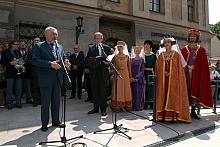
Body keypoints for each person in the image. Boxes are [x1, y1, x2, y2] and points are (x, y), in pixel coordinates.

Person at [32, 26, 71, 131]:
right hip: (45, 79)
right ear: (46, 35)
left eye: (56, 34)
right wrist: (50, 64)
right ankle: (44, 124)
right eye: (53, 34)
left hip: (58, 78)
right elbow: (35, 60)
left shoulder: (60, 46)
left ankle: (56, 121)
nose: (55, 36)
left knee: (56, 101)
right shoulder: (39, 46)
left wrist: (66, 61)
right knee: (45, 102)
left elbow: (63, 57)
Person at [155, 37, 191, 122]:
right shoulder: (160, 56)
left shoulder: (176, 55)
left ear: (171, 44)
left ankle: (172, 117)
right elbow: (157, 68)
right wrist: (163, 72)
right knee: (163, 95)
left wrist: (171, 73)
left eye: (168, 42)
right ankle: (162, 116)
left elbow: (179, 69)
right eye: (165, 42)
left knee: (172, 96)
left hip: (173, 81)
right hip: (163, 80)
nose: (167, 43)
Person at [181, 28, 213, 119]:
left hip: (197, 74)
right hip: (186, 74)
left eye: (194, 36)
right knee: (186, 90)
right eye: (190, 36)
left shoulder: (201, 50)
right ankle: (185, 110)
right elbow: (181, 63)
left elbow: (204, 65)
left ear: (197, 38)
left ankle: (193, 111)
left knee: (195, 91)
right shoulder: (184, 49)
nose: (192, 38)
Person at [85, 32, 111, 116]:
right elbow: (88, 59)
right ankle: (95, 108)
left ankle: (103, 109)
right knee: (95, 90)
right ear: (94, 39)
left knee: (103, 91)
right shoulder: (91, 48)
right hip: (94, 72)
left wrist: (105, 61)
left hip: (103, 72)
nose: (98, 40)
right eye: (96, 38)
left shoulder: (106, 48)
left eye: (99, 38)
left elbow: (110, 60)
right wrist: (91, 62)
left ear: (102, 39)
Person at [1, 40, 23, 110]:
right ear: (11, 45)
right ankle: (9, 103)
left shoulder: (18, 51)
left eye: (18, 44)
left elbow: (21, 60)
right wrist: (10, 63)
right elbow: (3, 62)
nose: (17, 45)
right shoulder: (5, 51)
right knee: (9, 89)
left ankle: (18, 102)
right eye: (16, 44)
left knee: (18, 88)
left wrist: (20, 64)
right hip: (10, 72)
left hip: (18, 72)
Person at [111, 41, 132, 111]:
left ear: (123, 48)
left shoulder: (127, 56)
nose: (119, 48)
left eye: (121, 47)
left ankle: (126, 105)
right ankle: (118, 105)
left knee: (126, 89)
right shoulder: (115, 56)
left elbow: (129, 67)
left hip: (125, 74)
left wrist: (130, 76)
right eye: (118, 47)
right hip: (118, 74)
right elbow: (113, 66)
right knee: (118, 89)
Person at [131, 46, 145, 110]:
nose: (137, 52)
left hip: (139, 78)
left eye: (138, 51)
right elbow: (130, 69)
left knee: (139, 92)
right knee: (133, 92)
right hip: (132, 78)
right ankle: (133, 106)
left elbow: (142, 70)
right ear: (134, 51)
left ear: (140, 52)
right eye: (136, 51)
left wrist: (137, 77)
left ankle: (138, 106)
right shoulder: (131, 60)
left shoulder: (142, 60)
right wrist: (131, 77)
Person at [143, 40, 157, 109]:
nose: (146, 46)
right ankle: (145, 103)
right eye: (145, 44)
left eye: (147, 44)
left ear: (150, 46)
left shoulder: (153, 55)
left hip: (151, 74)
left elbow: (155, 66)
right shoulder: (142, 55)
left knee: (151, 88)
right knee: (145, 88)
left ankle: (152, 103)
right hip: (143, 74)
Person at [29, 37, 41, 107]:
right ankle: (36, 101)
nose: (36, 41)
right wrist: (35, 62)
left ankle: (41, 100)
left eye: (38, 40)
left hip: (42, 71)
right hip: (34, 71)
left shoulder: (43, 50)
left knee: (41, 87)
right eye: (35, 40)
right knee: (34, 87)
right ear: (33, 42)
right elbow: (28, 60)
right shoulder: (30, 50)